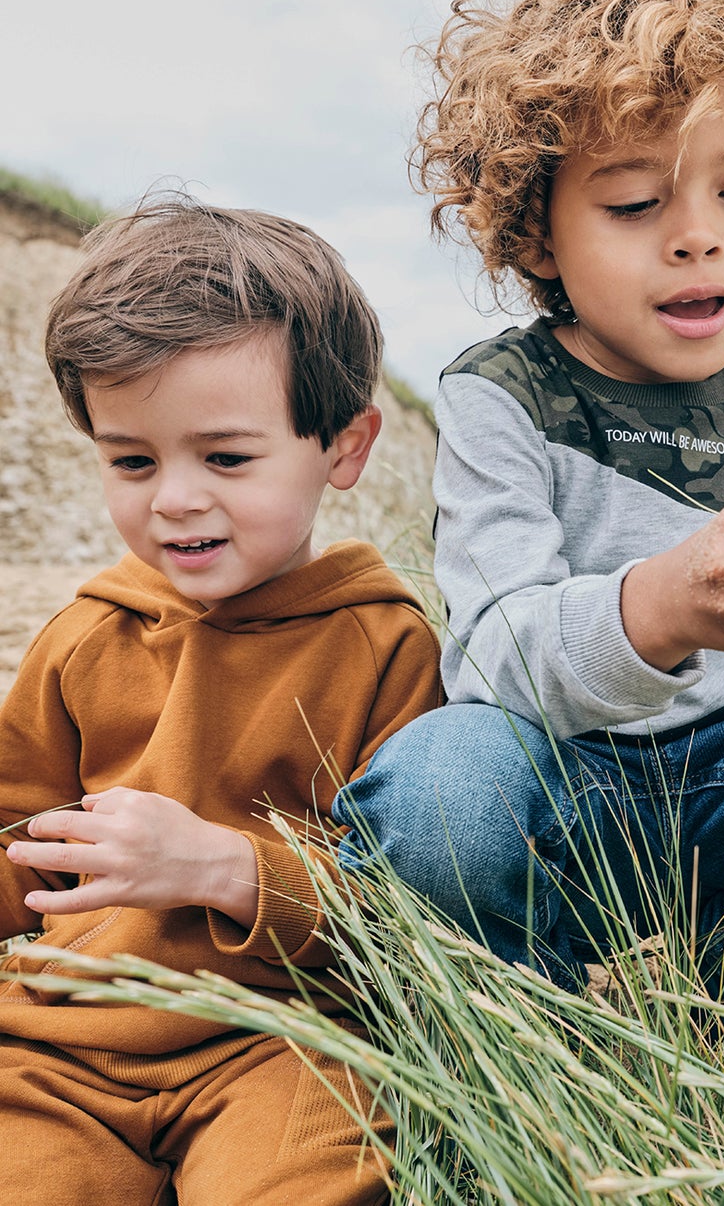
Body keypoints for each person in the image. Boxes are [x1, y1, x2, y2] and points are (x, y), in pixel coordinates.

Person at [333, 0, 724, 1118]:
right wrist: (659, 605)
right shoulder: (503, 392)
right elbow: (493, 650)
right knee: (438, 793)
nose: (698, 230)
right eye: (636, 199)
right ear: (535, 224)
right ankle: (529, 1029)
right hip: (555, 788)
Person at [0, 194, 442, 1204]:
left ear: (345, 447)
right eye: (132, 460)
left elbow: (407, 914)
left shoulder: (384, 643)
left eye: (227, 458)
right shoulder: (87, 633)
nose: (175, 498)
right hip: (63, 1047)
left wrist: (224, 867)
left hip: (288, 1045)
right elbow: (14, 837)